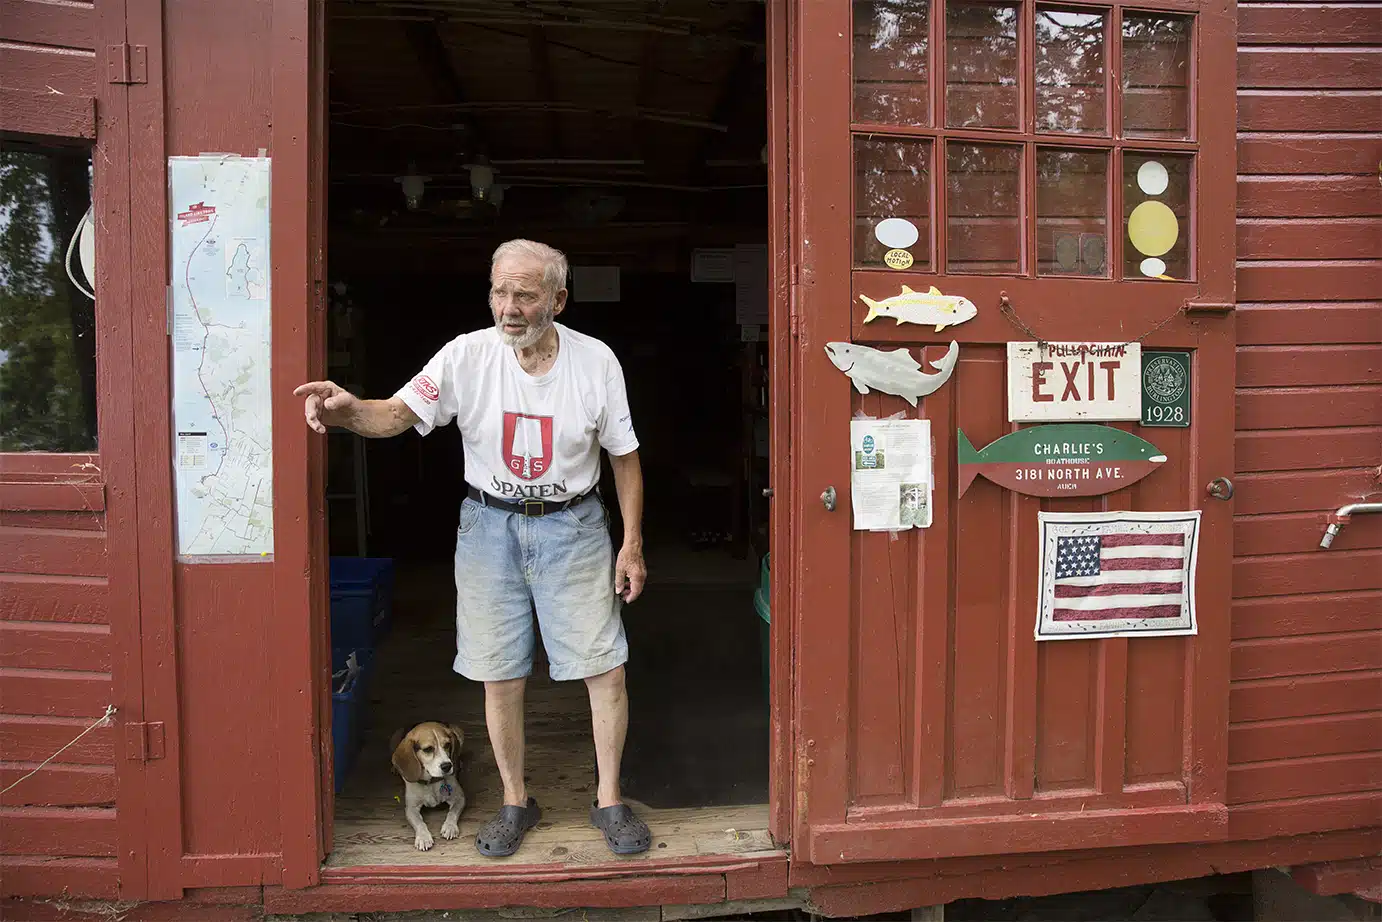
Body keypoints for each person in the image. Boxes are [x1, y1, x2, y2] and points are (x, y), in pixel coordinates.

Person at [294, 239, 651, 858]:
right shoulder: (466, 356)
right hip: (488, 527)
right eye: (498, 291)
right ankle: (517, 802)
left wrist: (633, 544)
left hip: (575, 527)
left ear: (558, 301)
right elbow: (396, 414)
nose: (507, 307)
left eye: (525, 294)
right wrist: (350, 412)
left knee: (604, 668)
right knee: (498, 673)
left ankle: (610, 800)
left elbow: (625, 457)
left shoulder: (596, 363)